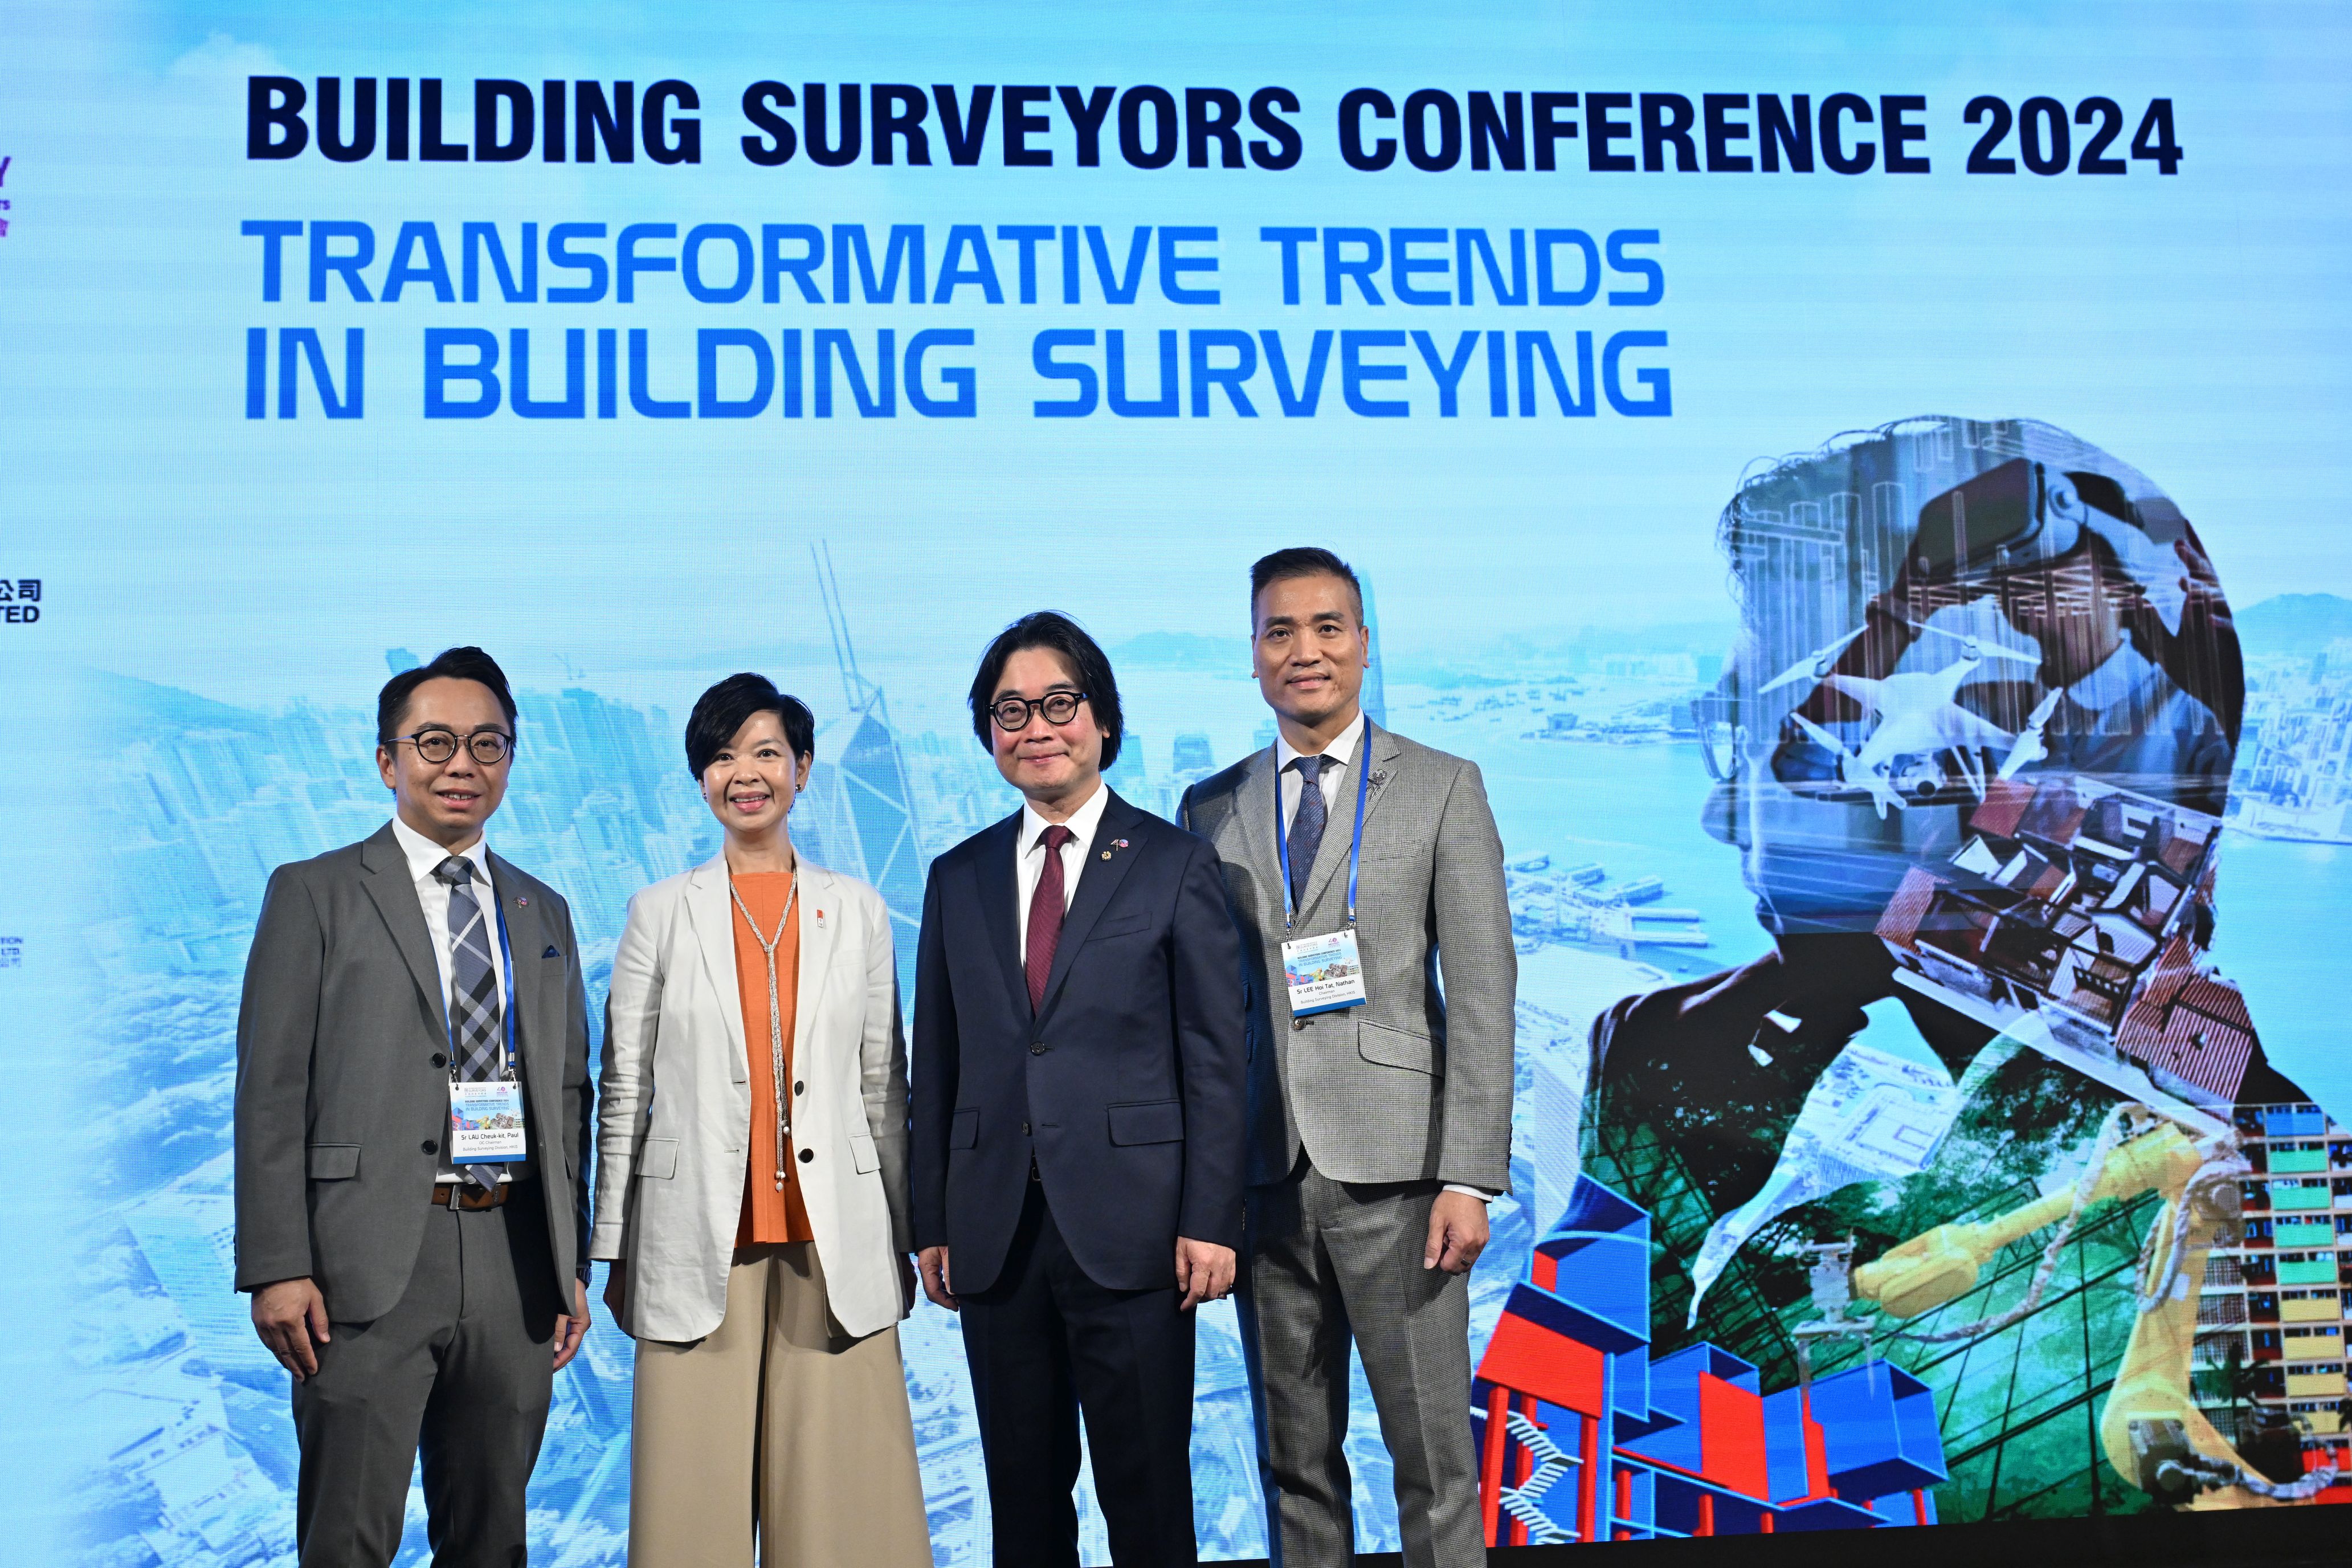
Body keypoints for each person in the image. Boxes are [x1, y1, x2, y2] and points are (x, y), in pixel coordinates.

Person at [1179, 548, 1516, 1568]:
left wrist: (1471, 1174)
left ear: (1363, 645)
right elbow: (1205, 1009)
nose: (1305, 651)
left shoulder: (1443, 786)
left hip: (1405, 1182)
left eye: (1328, 628)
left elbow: (1486, 989)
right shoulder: (1210, 806)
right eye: (1280, 632)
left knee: (1434, 1461)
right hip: (1264, 1184)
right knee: (1295, 1467)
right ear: (1253, 656)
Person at [234, 646, 594, 1566]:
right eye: (434, 742)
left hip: (515, 1256)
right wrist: (278, 1263)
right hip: (365, 1261)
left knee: (491, 1538)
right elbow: (272, 1087)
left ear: (510, 760)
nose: (461, 765)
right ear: (388, 759)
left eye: (487, 744)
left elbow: (564, 1092)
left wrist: (568, 1262)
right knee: (350, 1536)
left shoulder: (542, 910)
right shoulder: (313, 892)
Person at [910, 611, 1247, 1568]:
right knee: (1022, 1497)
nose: (1037, 728)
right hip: (994, 1234)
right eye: (1011, 711)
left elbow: (1217, 1059)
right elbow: (936, 1061)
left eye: (1059, 703)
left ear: (1102, 719)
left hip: (1138, 1233)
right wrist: (929, 1218)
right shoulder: (957, 877)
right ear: (988, 735)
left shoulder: (1175, 865)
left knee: (1147, 1497)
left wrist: (1210, 1219)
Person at [591, 673, 929, 1568]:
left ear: (804, 769)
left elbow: (881, 1087)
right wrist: (613, 1247)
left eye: (767, 752)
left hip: (835, 1237)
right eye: (723, 756)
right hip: (692, 1234)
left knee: (842, 1511)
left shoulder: (857, 908)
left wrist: (906, 1229)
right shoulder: (658, 913)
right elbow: (624, 1088)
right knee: (688, 1508)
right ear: (702, 778)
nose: (746, 773)